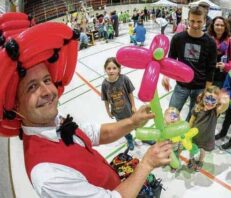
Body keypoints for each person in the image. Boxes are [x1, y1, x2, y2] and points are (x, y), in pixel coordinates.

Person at [0, 15, 173, 198]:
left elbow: (97, 133)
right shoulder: (48, 175)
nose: (47, 91)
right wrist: (146, 164)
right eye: (32, 87)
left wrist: (133, 121)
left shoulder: (54, 123)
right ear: (14, 105)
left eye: (46, 80)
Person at [162, 6, 217, 121]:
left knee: (193, 117)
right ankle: (167, 137)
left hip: (200, 87)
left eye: (199, 21)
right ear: (187, 19)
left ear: (205, 21)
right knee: (171, 115)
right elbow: (171, 59)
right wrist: (166, 76)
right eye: (192, 21)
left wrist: (207, 90)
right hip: (181, 85)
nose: (195, 25)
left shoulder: (210, 42)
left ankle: (184, 137)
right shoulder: (178, 38)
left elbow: (211, 68)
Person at [188, 86, 229, 170]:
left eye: (213, 100)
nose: (209, 102)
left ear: (217, 101)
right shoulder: (197, 109)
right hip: (195, 136)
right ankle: (191, 159)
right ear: (202, 97)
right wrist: (187, 133)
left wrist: (225, 103)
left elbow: (224, 108)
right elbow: (191, 121)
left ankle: (201, 161)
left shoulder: (215, 111)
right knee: (192, 149)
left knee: (202, 151)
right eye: (207, 99)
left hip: (206, 137)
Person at [101, 57, 137, 150]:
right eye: (109, 68)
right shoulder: (104, 84)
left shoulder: (124, 79)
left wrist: (133, 106)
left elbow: (130, 93)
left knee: (137, 123)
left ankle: (144, 136)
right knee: (124, 129)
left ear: (119, 69)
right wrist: (108, 111)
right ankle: (129, 139)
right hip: (118, 113)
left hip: (129, 110)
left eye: (114, 68)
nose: (111, 71)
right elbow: (105, 99)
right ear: (105, 69)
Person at [208, 16, 231, 88]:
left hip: (220, 77)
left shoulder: (230, 42)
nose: (219, 27)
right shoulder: (207, 39)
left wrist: (226, 66)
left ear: (225, 27)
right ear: (213, 26)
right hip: (205, 75)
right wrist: (211, 64)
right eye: (217, 25)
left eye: (222, 25)